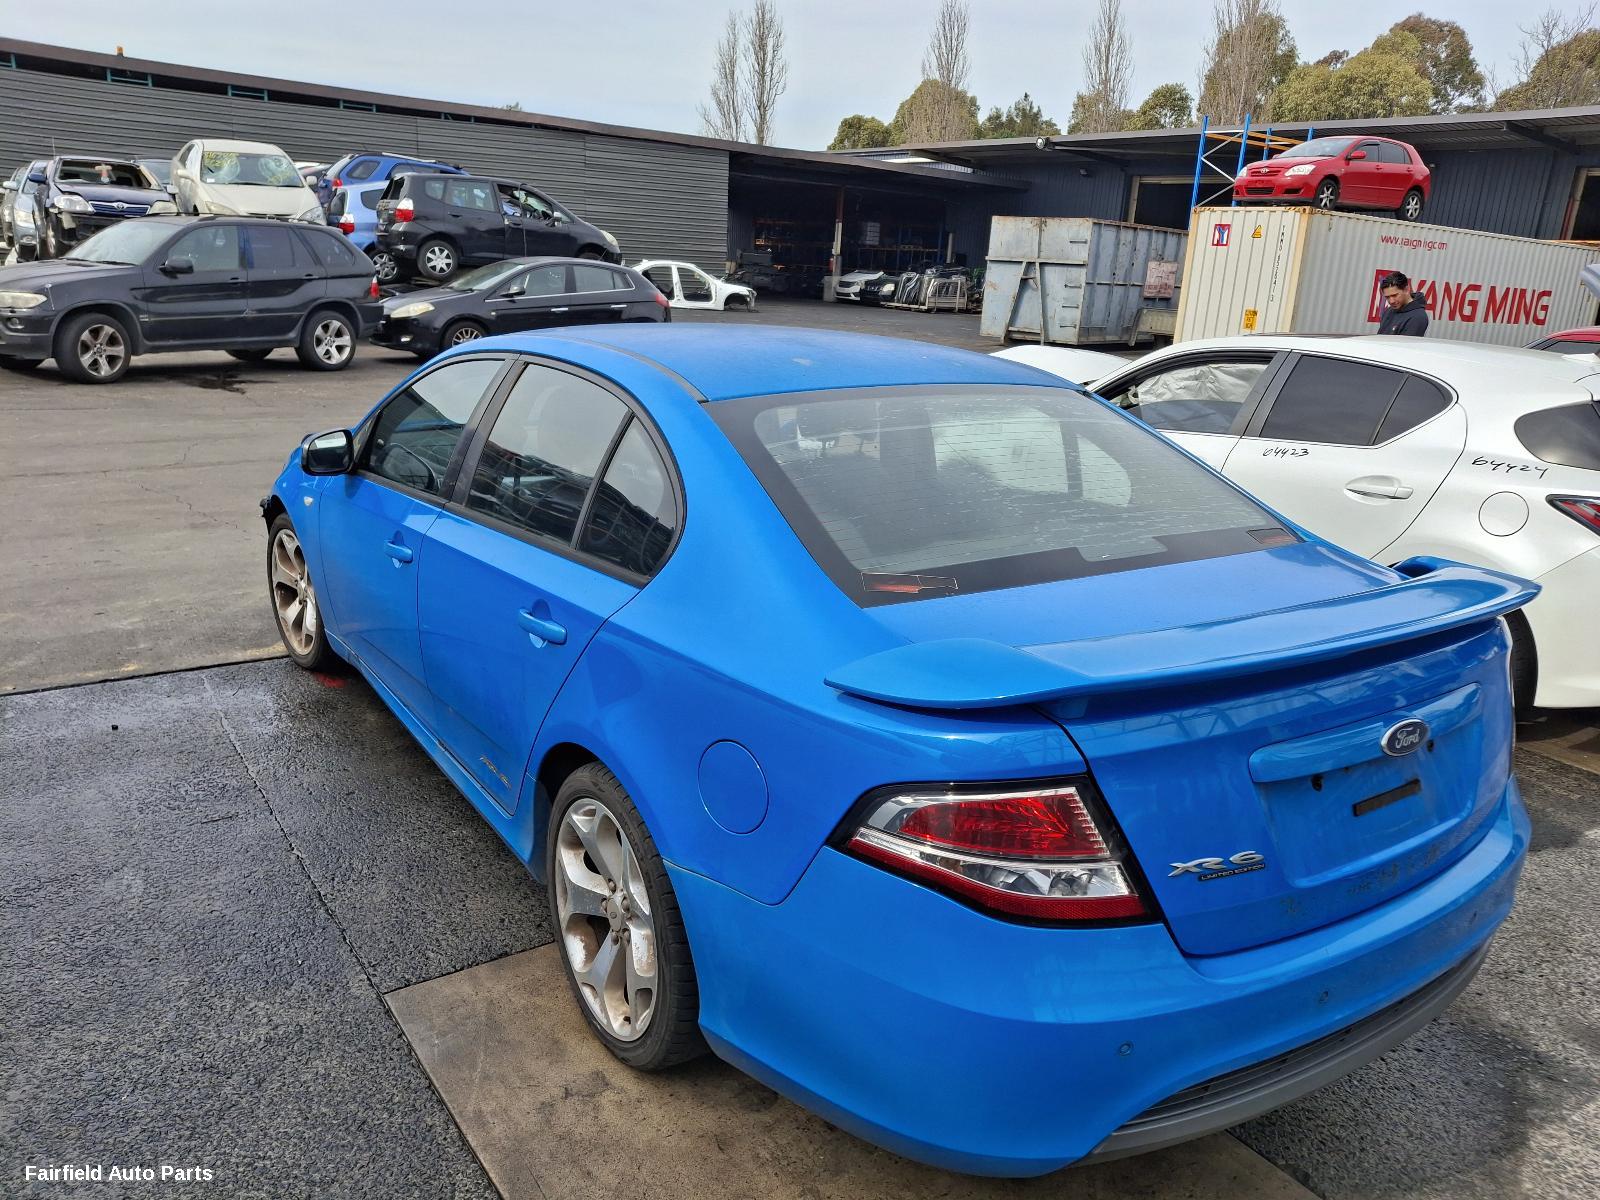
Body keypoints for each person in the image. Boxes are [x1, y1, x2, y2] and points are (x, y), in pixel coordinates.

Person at [1377, 271, 1429, 336]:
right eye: (1387, 297)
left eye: (1395, 295)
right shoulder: (1389, 311)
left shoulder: (1418, 317)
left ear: (1406, 289)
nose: (1391, 301)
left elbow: (1407, 342)